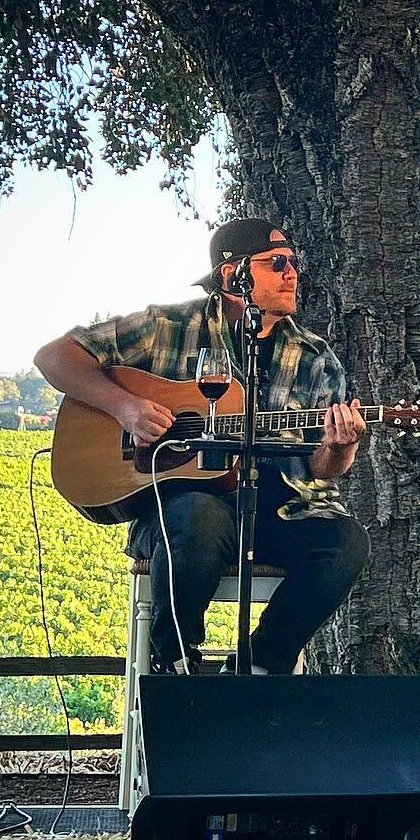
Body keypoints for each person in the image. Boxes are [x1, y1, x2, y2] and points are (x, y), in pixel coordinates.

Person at [36, 219, 369, 675]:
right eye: (277, 263)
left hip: (278, 512)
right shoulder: (167, 327)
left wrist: (340, 446)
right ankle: (175, 664)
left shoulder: (315, 358)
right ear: (233, 277)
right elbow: (54, 357)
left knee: (346, 542)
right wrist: (127, 409)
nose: (293, 273)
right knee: (199, 515)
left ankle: (259, 665)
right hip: (186, 514)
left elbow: (322, 469)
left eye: (294, 263)